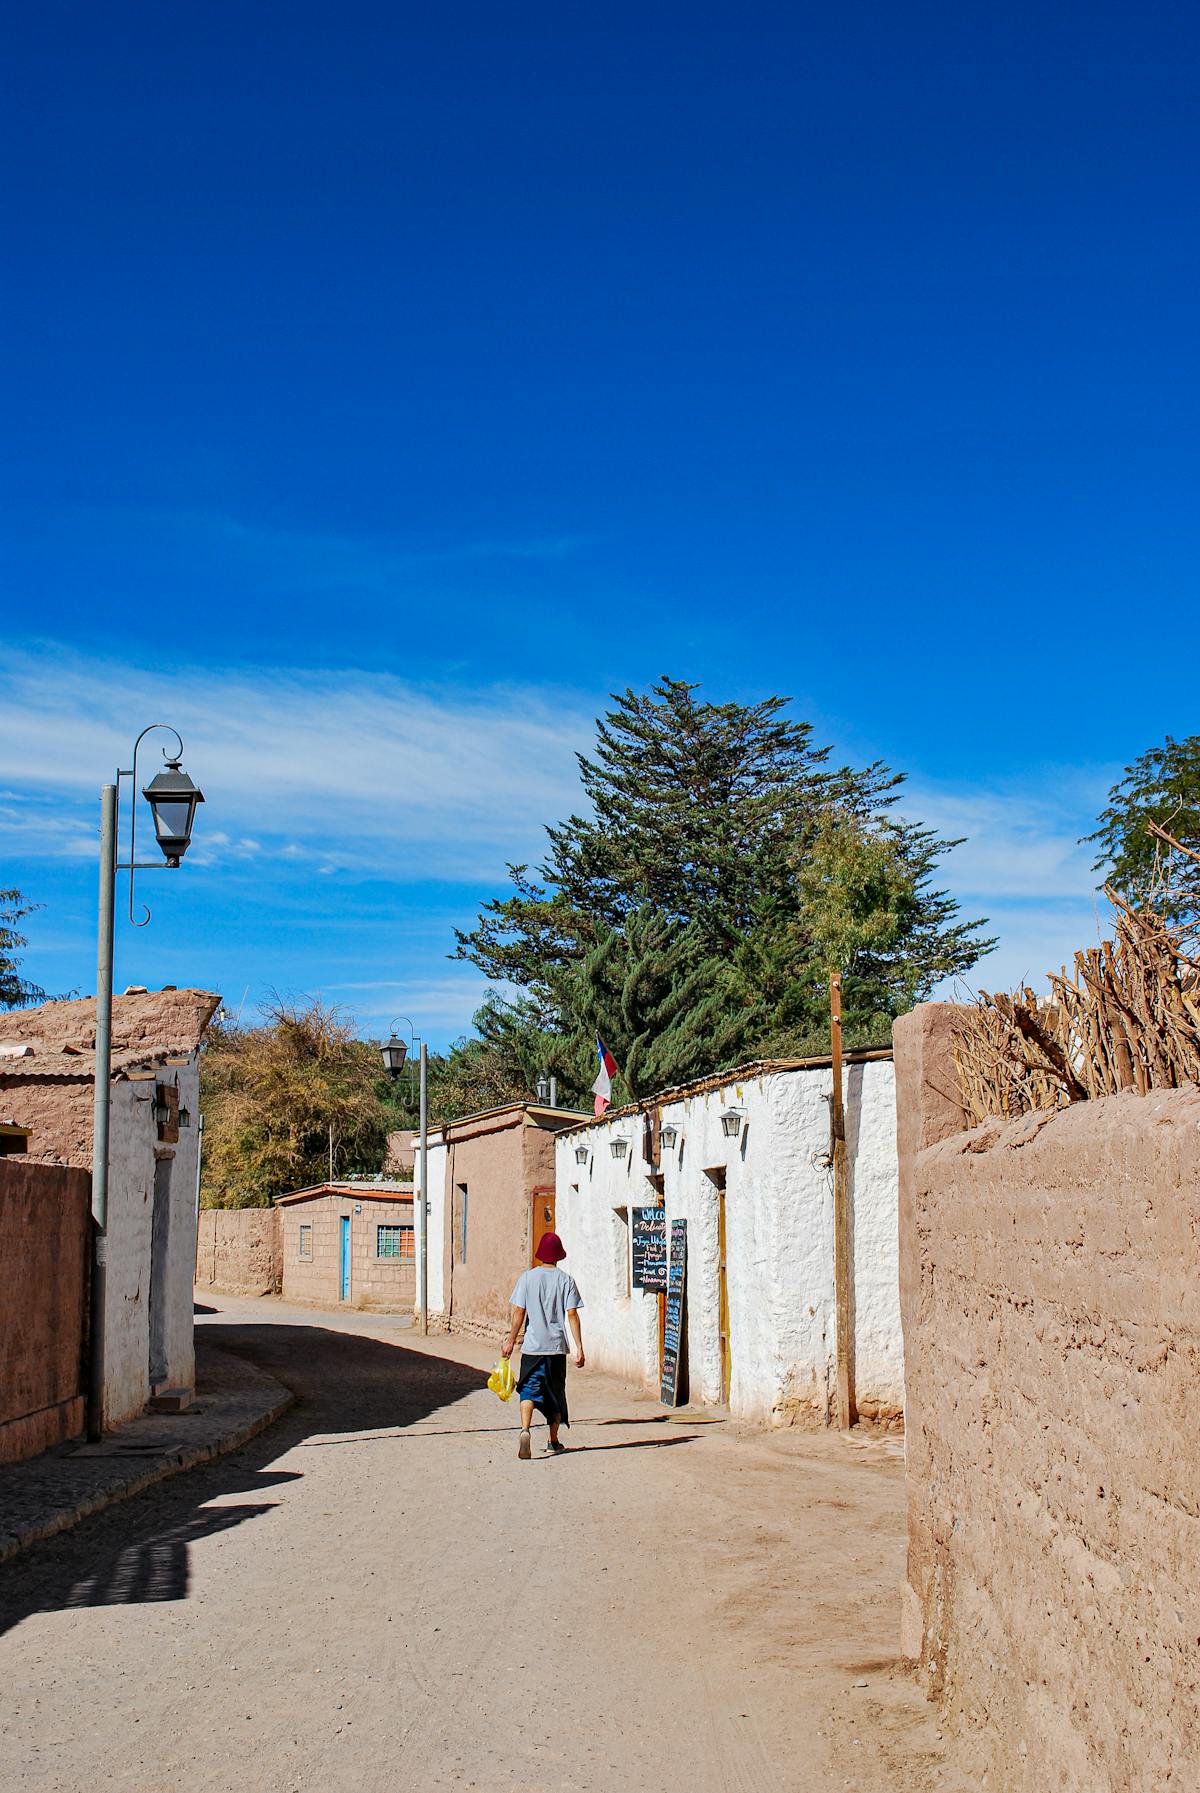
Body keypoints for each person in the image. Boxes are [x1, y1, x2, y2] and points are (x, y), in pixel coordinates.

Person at [501, 1232, 584, 1459]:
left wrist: (510, 1341)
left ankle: (525, 1429)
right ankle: (553, 1440)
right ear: (558, 1256)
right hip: (556, 1348)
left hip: (532, 1348)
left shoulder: (527, 1278)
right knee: (555, 1393)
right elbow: (572, 1314)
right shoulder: (566, 1280)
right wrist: (579, 1347)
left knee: (528, 1389)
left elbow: (519, 1311)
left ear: (540, 1255)